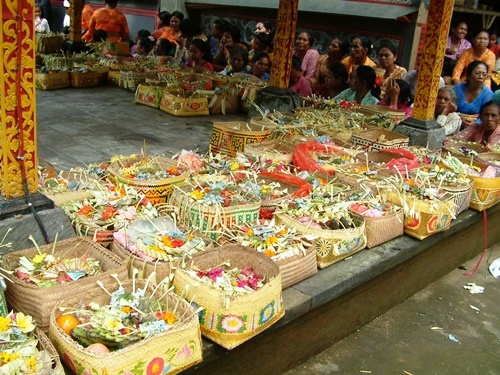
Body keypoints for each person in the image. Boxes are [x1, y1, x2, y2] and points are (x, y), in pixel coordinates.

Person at [454, 61, 494, 126]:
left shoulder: (488, 94)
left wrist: (475, 124)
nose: (481, 77)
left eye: (484, 74)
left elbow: (487, 115)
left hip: (476, 127)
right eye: (477, 73)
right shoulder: (458, 88)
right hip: (454, 122)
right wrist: (458, 120)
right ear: (468, 75)